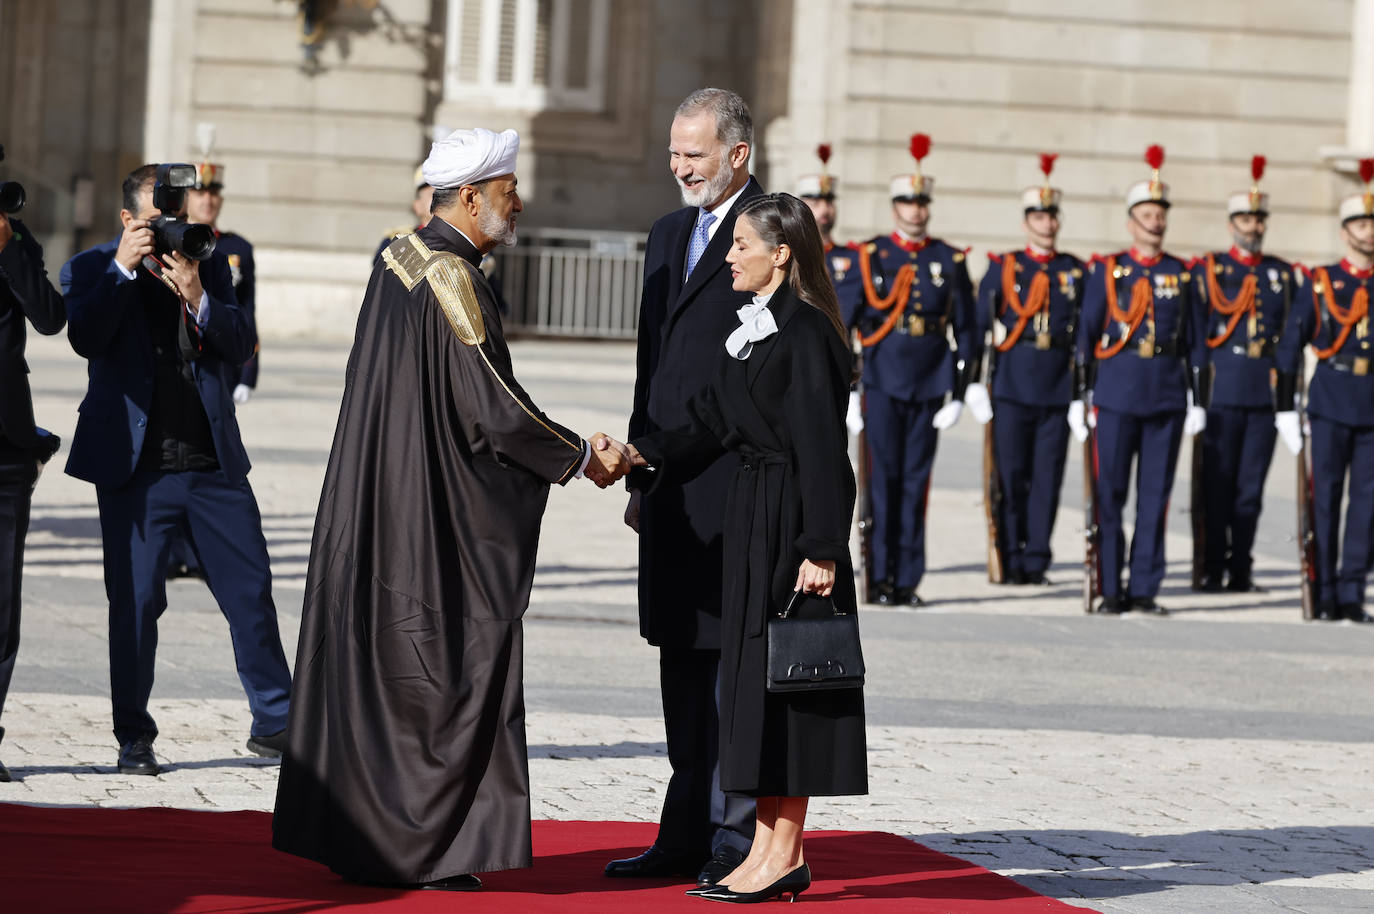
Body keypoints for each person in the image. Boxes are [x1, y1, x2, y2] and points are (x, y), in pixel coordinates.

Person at [271, 127, 632, 892]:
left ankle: (367, 839)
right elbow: (496, 410)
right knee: (437, 673)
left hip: (377, 499)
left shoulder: (398, 257)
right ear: (470, 197)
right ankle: (424, 847)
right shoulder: (451, 277)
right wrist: (579, 455)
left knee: (380, 673)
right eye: (508, 192)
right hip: (428, 515)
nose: (518, 204)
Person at [626, 192, 867, 904]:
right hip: (753, 520)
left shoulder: (807, 332)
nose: (728, 257)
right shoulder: (756, 327)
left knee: (789, 692)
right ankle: (763, 847)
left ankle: (785, 853)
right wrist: (637, 454)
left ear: (781, 254)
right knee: (755, 691)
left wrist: (822, 547)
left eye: (740, 246)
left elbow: (825, 453)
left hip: (793, 526)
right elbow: (708, 426)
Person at [60, 164, 293, 775]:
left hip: (212, 464)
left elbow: (239, 343)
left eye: (179, 218)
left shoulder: (205, 261)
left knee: (251, 593)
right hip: (137, 473)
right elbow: (85, 338)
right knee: (135, 607)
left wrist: (197, 295)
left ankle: (277, 723)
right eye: (158, 219)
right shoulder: (89, 268)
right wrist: (123, 269)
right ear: (127, 220)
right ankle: (134, 736)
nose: (172, 229)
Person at [610, 87, 763, 887]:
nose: (679, 167)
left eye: (693, 154)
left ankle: (737, 835)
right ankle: (682, 830)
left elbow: (752, 383)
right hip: (669, 480)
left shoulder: (773, 232)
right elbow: (652, 362)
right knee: (679, 656)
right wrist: (640, 468)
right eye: (673, 152)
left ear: (737, 154)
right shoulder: (669, 232)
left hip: (732, 480)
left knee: (732, 668)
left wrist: (656, 451)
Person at [1072, 146, 1206, 615]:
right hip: (1116, 393)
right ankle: (1110, 586)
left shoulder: (1181, 274)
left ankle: (1145, 587)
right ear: (1131, 223)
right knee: (1109, 495)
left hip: (1165, 395)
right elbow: (1087, 334)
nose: (1156, 222)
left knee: (1155, 498)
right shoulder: (1108, 271)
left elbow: (1196, 341)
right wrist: (1080, 395)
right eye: (1147, 215)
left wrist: (1198, 399)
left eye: (1160, 214)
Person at [853, 133, 981, 607]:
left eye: (922, 203)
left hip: (929, 381)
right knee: (881, 481)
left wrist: (961, 392)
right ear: (895, 208)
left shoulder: (948, 259)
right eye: (908, 202)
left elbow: (968, 330)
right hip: (883, 379)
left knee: (915, 483)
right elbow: (846, 324)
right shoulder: (872, 256)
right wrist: (850, 390)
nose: (916, 210)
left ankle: (907, 579)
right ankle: (878, 574)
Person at [976, 154, 1085, 586]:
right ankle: (1007, 554)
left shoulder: (1074, 270)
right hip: (1013, 384)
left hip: (1056, 385)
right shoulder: (1004, 266)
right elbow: (981, 326)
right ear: (1026, 222)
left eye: (1052, 216)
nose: (1047, 224)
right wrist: (976, 384)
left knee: (1047, 478)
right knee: (1011, 475)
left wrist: (1082, 392)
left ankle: (1036, 559)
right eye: (1039, 216)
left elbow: (1085, 333)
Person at [1274, 160, 1374, 623]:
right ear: (1344, 232)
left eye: (1372, 223)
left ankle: (1353, 591)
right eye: (1361, 224)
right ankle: (1323, 589)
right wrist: (1285, 409)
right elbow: (1290, 345)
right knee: (1325, 499)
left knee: (1367, 505)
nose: (1369, 232)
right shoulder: (1320, 282)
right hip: (1332, 397)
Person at [1191, 156, 1295, 594]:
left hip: (1262, 391)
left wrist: (1289, 399)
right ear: (1231, 223)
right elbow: (1198, 334)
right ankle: (1211, 566)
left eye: (1259, 220)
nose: (1254, 227)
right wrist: (1195, 393)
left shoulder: (1281, 274)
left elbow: (1289, 336)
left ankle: (1241, 570)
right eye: (1246, 219)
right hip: (1223, 386)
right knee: (1216, 485)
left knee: (1250, 490)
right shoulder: (1210, 269)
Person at [0, 206, 65, 782]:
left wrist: (8, 250)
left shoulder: (15, 239)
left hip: (6, 446)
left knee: (1, 606)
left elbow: (48, 318)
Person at [797, 144, 862, 327]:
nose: (825, 210)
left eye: (829, 202)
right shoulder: (790, 255)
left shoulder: (855, 258)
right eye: (816, 203)